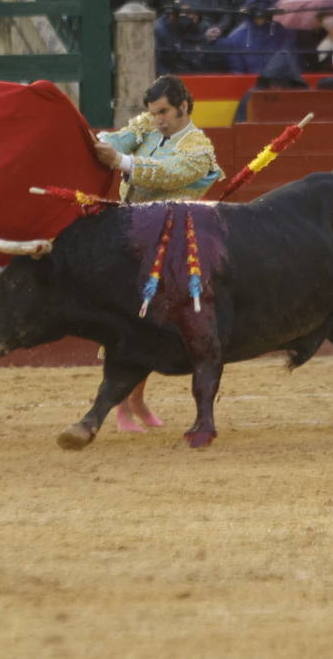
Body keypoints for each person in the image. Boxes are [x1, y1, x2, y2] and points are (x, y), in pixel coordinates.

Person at [93, 75, 223, 431]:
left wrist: (120, 160)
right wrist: (103, 142)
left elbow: (167, 173)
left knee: (150, 324)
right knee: (127, 322)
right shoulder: (148, 126)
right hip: (128, 240)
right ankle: (124, 404)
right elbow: (120, 137)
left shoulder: (199, 149)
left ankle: (132, 401)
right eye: (153, 112)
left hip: (168, 246)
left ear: (184, 106)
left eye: (164, 111)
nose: (158, 119)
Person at [218, 0, 297, 74]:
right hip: (248, 86)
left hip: (277, 85)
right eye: (257, 13)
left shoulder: (283, 33)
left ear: (270, 13)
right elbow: (237, 71)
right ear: (250, 13)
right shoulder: (236, 37)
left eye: (264, 13)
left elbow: (291, 64)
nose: (260, 18)